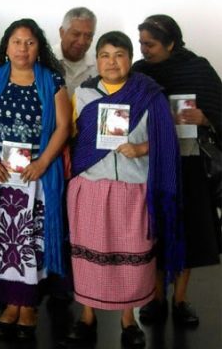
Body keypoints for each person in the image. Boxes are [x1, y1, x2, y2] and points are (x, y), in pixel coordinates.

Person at [64, 31, 184, 348]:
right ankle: (87, 316)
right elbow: (71, 139)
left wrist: (141, 148)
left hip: (133, 188)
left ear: (130, 59)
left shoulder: (149, 94)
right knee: (87, 254)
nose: (112, 61)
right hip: (91, 185)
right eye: (105, 54)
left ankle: (128, 320)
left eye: (119, 54)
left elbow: (167, 140)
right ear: (97, 59)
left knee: (132, 255)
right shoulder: (84, 94)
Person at [0, 18, 71, 341]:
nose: (23, 48)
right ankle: (11, 304)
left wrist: (42, 163)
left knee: (31, 241)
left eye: (30, 42)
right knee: (0, 240)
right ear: (6, 46)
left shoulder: (52, 80)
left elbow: (63, 128)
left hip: (35, 175)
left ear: (39, 46)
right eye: (16, 42)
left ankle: (30, 306)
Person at [133, 14, 222, 327]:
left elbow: (218, 110)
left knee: (189, 233)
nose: (143, 49)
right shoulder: (140, 72)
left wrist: (206, 118)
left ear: (171, 43)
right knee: (154, 232)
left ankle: (180, 300)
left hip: (190, 164)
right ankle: (155, 299)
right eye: (141, 42)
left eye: (150, 44)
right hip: (152, 165)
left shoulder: (198, 69)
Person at [56, 7, 97, 97]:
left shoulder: (99, 66)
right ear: (62, 32)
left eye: (88, 36)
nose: (81, 41)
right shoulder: (44, 60)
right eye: (76, 34)